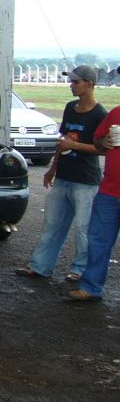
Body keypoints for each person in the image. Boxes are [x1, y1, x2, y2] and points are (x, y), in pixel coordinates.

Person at [15, 65, 106, 282]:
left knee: (83, 229)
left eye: (76, 82)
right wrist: (53, 168)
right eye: (71, 81)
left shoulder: (100, 114)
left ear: (89, 84)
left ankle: (81, 271)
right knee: (52, 224)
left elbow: (102, 149)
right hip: (64, 176)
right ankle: (40, 266)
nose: (71, 85)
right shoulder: (70, 108)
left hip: (85, 180)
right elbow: (63, 140)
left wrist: (73, 146)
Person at [69, 106, 120, 301]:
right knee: (98, 240)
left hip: (109, 193)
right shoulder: (116, 113)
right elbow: (97, 141)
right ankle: (91, 287)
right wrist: (104, 141)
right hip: (108, 192)